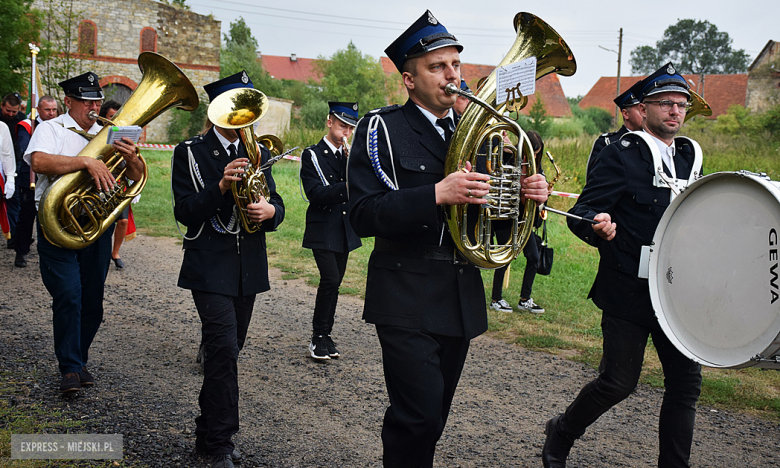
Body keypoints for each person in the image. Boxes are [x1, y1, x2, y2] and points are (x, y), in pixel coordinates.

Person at [347, 10, 549, 467]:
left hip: (457, 294)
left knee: (434, 417)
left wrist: (524, 197)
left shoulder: (475, 133)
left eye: (456, 65)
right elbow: (362, 214)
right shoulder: (382, 129)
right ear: (409, 79)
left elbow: (492, 221)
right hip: (404, 290)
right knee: (416, 417)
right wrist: (434, 194)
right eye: (438, 67)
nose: (452, 75)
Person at [541, 63, 704, 468]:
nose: (675, 111)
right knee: (617, 383)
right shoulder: (622, 155)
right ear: (643, 109)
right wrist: (600, 227)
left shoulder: (689, 157)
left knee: (685, 386)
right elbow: (583, 211)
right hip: (628, 289)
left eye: (681, 104)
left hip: (677, 292)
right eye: (665, 103)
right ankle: (561, 433)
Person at [171, 71, 285, 468]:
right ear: (217, 110)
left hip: (247, 269)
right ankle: (221, 443)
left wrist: (270, 211)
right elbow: (184, 211)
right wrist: (220, 187)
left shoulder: (257, 153)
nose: (244, 119)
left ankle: (207, 431)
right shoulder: (189, 152)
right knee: (222, 349)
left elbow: (278, 205)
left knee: (228, 352)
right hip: (208, 265)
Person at [24, 72, 144, 394]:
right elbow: (38, 161)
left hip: (95, 226)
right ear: (69, 101)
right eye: (87, 101)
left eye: (96, 101)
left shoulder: (109, 134)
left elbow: (134, 177)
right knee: (68, 294)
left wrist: (132, 159)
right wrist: (85, 163)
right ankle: (70, 368)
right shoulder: (52, 128)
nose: (94, 107)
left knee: (93, 300)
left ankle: (78, 360)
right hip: (57, 224)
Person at [300, 101, 362, 360]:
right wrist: (349, 185)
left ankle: (326, 334)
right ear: (329, 122)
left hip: (344, 229)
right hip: (322, 228)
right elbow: (316, 193)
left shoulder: (349, 155)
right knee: (330, 279)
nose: (345, 133)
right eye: (341, 126)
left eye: (349, 128)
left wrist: (354, 165)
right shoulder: (312, 154)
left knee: (335, 284)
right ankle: (317, 336)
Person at [489, 130, 548, 314]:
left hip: (524, 218)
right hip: (506, 217)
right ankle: (496, 299)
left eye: (536, 154)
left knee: (534, 257)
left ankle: (525, 299)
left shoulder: (538, 169)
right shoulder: (508, 160)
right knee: (505, 257)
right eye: (531, 153)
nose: (532, 158)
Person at [13, 95, 59, 267]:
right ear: (38, 109)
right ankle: (21, 251)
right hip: (30, 176)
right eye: (47, 110)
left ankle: (50, 253)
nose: (51, 113)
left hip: (53, 176)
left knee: (50, 215)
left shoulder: (60, 126)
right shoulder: (28, 126)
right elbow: (25, 148)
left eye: (54, 109)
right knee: (27, 215)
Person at [585, 78, 646, 180]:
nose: (645, 113)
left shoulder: (654, 141)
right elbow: (594, 180)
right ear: (625, 114)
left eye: (646, 109)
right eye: (640, 109)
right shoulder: (607, 142)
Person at [97, 100, 130, 270]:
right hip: (98, 186)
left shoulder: (122, 136)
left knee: (123, 220)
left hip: (117, 184)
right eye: (111, 116)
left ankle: (115, 252)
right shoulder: (96, 135)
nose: (114, 120)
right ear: (103, 117)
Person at [1, 93, 26, 246]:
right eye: (7, 111)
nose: (10, 114)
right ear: (2, 106)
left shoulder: (22, 120)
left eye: (13, 112)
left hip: (15, 161)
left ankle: (13, 234)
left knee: (13, 198)